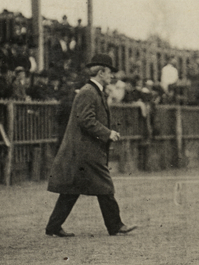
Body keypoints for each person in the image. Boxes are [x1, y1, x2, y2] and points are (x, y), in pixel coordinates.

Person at [45, 53, 137, 238]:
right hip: (86, 151)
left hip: (84, 150)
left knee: (71, 190)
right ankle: (115, 225)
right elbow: (86, 120)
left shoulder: (92, 91)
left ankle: (53, 226)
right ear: (101, 73)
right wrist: (107, 133)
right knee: (105, 186)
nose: (112, 76)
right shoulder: (89, 92)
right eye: (110, 72)